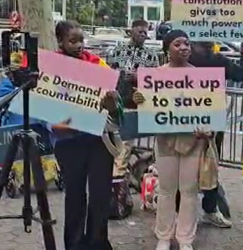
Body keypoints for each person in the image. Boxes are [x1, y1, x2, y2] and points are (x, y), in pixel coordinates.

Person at [49, 20, 118, 250]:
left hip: (98, 141)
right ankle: (75, 244)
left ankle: (98, 242)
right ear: (60, 41)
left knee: (100, 195)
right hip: (68, 143)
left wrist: (111, 101)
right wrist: (56, 125)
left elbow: (112, 103)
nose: (79, 45)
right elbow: (47, 108)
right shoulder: (52, 68)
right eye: (73, 40)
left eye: (81, 40)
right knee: (75, 196)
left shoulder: (98, 63)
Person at [136, 30, 207, 250]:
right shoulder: (155, 75)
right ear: (168, 48)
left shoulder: (201, 77)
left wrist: (206, 128)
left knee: (189, 191)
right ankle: (164, 236)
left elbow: (209, 108)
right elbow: (145, 106)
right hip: (165, 141)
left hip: (192, 143)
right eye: (178, 44)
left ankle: (185, 239)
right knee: (166, 190)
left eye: (187, 43)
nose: (184, 47)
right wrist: (138, 98)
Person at [186, 38, 243, 229]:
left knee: (211, 167)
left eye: (210, 40)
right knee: (184, 168)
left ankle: (209, 210)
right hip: (183, 121)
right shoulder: (181, 59)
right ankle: (183, 214)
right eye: (202, 41)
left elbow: (242, 74)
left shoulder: (218, 60)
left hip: (212, 123)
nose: (208, 43)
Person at [107, 19, 161, 110]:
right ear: (131, 32)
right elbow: (109, 74)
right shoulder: (118, 50)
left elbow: (156, 79)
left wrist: (139, 77)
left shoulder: (151, 55)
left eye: (145, 32)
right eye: (140, 32)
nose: (143, 35)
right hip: (118, 99)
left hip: (140, 101)